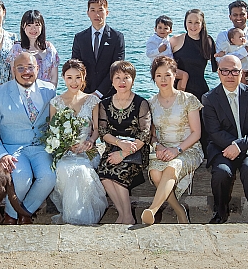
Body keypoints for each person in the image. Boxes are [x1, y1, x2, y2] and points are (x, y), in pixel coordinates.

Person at [0, 52, 57, 224]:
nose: (26, 72)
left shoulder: (49, 91)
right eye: (21, 68)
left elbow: (55, 121)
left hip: (40, 147)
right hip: (11, 148)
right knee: (22, 178)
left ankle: (23, 213)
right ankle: (11, 215)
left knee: (48, 177)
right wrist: (1, 155)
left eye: (30, 67)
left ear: (38, 69)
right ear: (13, 69)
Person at [202, 55, 248, 224]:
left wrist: (242, 147)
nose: (230, 75)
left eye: (234, 71)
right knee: (221, 173)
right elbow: (214, 132)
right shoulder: (209, 98)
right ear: (218, 73)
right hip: (222, 148)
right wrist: (244, 148)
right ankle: (221, 213)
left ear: (242, 73)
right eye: (225, 71)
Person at [142, 56, 203, 225]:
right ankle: (179, 211)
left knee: (172, 166)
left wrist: (177, 150)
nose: (163, 79)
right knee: (155, 173)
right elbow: (151, 135)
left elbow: (196, 132)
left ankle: (152, 210)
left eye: (167, 75)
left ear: (175, 75)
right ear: (154, 77)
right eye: (159, 75)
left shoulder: (188, 99)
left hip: (188, 148)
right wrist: (158, 146)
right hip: (162, 150)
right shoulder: (150, 103)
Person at [48, 59, 107, 225]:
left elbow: (96, 129)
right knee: (64, 168)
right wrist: (66, 144)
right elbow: (53, 131)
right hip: (65, 150)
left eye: (77, 77)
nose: (74, 82)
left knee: (81, 170)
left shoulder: (92, 100)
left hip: (87, 150)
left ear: (83, 77)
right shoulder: (56, 102)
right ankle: (72, 216)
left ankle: (81, 217)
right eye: (69, 77)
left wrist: (90, 141)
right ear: (63, 78)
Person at [97, 61, 151, 225]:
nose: (122, 82)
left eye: (126, 78)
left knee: (119, 171)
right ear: (112, 81)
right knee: (103, 174)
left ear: (132, 80)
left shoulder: (141, 103)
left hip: (137, 149)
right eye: (118, 78)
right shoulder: (104, 104)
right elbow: (103, 132)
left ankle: (127, 216)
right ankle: (123, 215)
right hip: (114, 146)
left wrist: (125, 152)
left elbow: (145, 133)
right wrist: (119, 145)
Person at [170, 9, 217, 157]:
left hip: (200, 89)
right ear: (185, 23)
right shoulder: (175, 40)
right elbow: (163, 65)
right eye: (190, 22)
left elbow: (218, 66)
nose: (193, 25)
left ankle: (203, 155)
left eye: (197, 22)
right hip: (180, 89)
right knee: (179, 124)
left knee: (202, 126)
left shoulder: (208, 41)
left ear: (202, 24)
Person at [71, 0, 125, 98]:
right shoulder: (79, 38)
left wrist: (98, 93)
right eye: (93, 10)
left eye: (100, 10)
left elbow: (116, 68)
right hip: (84, 93)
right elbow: (76, 66)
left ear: (107, 13)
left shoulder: (117, 37)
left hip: (110, 95)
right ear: (88, 13)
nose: (97, 14)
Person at [8, 10, 60, 86]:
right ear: (23, 26)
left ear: (42, 27)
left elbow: (54, 77)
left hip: (46, 93)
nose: (33, 29)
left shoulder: (49, 48)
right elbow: (14, 76)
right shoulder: (17, 49)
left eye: (37, 25)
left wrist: (50, 92)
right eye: (29, 25)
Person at [145, 15, 189, 91]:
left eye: (166, 28)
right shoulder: (152, 40)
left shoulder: (167, 38)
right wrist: (159, 50)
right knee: (184, 75)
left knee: (179, 79)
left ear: (170, 31)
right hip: (160, 67)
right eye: (160, 28)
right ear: (155, 29)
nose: (162, 30)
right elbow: (148, 53)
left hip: (169, 66)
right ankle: (181, 96)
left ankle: (179, 94)